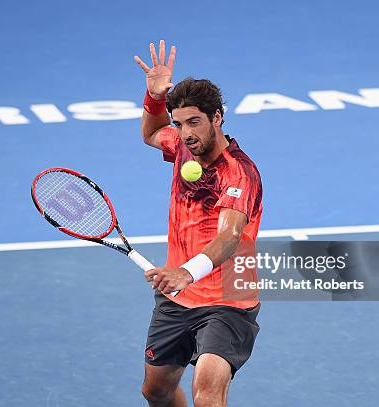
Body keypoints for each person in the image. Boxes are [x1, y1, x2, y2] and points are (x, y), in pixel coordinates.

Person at [134, 39, 263, 407]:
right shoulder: (181, 148)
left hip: (227, 300)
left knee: (207, 395)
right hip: (177, 297)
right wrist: (155, 100)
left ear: (217, 117)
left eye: (194, 122)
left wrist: (186, 272)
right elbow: (150, 134)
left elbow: (229, 237)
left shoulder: (239, 173)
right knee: (155, 391)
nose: (186, 132)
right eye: (179, 123)